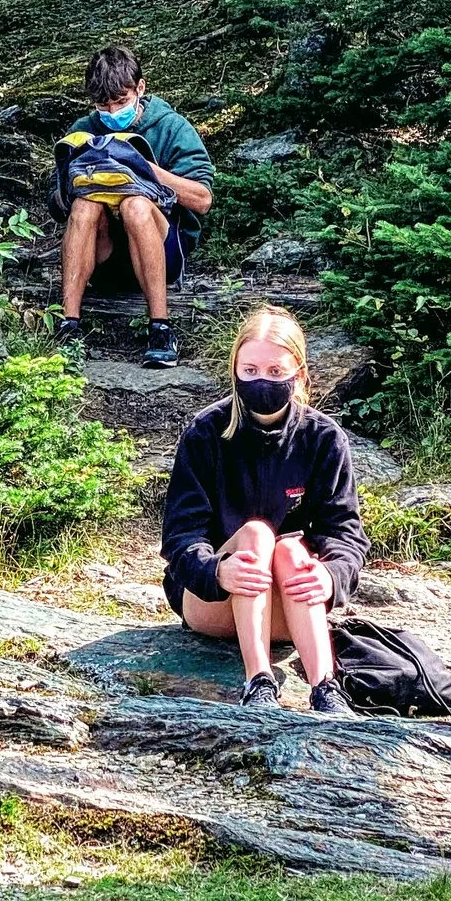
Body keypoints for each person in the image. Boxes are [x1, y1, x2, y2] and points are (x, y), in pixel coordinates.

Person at [160, 306, 365, 714]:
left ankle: (326, 687)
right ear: (235, 369)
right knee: (256, 534)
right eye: (250, 370)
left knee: (290, 550)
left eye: (275, 372)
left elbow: (344, 532)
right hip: (212, 598)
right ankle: (258, 681)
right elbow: (180, 536)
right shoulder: (207, 431)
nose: (261, 381)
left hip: (289, 601)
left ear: (299, 374)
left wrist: (331, 575)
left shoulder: (323, 438)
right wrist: (216, 570)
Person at [55, 46, 214, 366]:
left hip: (161, 250)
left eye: (121, 101)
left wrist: (145, 170)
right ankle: (69, 326)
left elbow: (203, 200)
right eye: (103, 105)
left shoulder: (172, 127)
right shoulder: (83, 129)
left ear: (140, 88)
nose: (113, 112)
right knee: (85, 205)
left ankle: (161, 327)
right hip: (104, 255)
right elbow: (58, 206)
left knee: (135, 204)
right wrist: (72, 182)